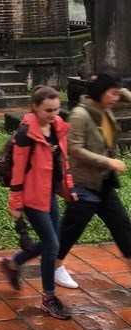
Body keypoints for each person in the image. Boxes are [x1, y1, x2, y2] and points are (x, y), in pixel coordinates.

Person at [0, 85, 77, 320]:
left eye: (56, 109)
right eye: (48, 110)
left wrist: (69, 187)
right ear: (34, 107)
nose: (53, 114)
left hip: (48, 193)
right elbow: (18, 173)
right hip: (31, 197)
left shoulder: (58, 127)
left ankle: (13, 263)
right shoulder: (26, 134)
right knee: (52, 244)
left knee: (53, 241)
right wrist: (15, 203)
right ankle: (48, 297)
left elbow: (63, 162)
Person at [56, 71, 131, 288]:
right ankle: (49, 265)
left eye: (117, 93)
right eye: (112, 93)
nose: (116, 98)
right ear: (100, 92)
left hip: (103, 182)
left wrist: (115, 85)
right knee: (71, 229)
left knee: (122, 226)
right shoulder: (80, 115)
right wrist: (108, 162)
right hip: (83, 182)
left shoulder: (104, 108)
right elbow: (75, 149)